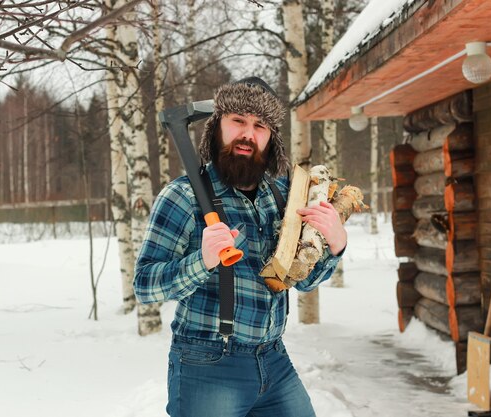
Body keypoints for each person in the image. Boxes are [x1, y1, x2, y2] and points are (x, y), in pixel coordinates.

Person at [134, 76, 347, 417]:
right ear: (217, 126)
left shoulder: (281, 195)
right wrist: (201, 261)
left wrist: (336, 245)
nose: (248, 133)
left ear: (270, 138)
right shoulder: (183, 196)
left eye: (260, 125)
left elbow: (300, 280)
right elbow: (144, 286)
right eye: (238, 120)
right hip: (209, 363)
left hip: (273, 359)